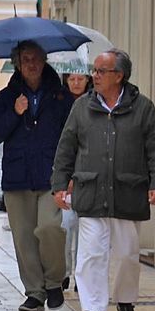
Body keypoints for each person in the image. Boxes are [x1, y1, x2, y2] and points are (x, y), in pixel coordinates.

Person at [52, 49, 155, 311]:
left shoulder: (142, 107)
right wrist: (59, 184)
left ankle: (126, 301)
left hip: (127, 192)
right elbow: (66, 147)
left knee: (127, 254)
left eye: (101, 71)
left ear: (119, 76)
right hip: (91, 192)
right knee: (91, 255)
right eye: (95, 70)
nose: (95, 75)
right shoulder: (82, 107)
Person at [0, 41, 73, 311]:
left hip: (51, 176)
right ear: (18, 64)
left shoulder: (60, 96)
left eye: (35, 58)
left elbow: (74, 136)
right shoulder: (6, 97)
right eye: (25, 59)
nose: (31, 63)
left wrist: (70, 173)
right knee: (24, 237)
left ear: (44, 60)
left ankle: (55, 281)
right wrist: (15, 112)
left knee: (49, 228)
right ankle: (35, 291)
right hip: (17, 177)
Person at [60, 70, 91, 287]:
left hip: (88, 174)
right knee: (65, 226)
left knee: (85, 230)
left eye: (81, 78)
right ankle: (64, 272)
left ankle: (81, 276)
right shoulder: (59, 105)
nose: (76, 82)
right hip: (65, 174)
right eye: (72, 79)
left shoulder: (94, 105)